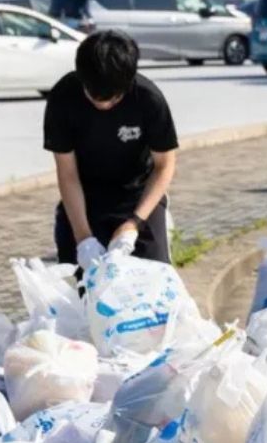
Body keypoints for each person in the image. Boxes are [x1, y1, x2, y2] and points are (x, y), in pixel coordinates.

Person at [43, 30, 178, 270]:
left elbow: (164, 165)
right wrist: (84, 238)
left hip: (138, 196)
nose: (103, 104)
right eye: (94, 97)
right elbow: (67, 174)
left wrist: (133, 223)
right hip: (84, 198)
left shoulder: (148, 99)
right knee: (81, 285)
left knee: (152, 278)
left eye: (113, 99)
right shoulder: (63, 99)